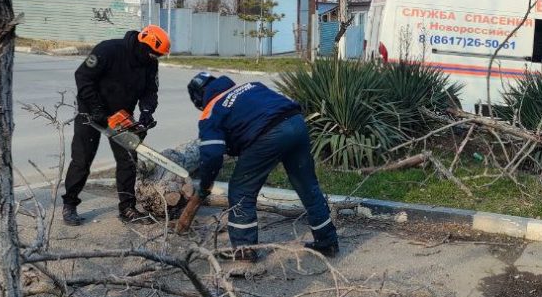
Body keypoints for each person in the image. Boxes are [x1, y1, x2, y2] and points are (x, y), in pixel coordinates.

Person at [187, 72, 340, 261]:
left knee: (241, 191)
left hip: (268, 135)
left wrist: (204, 187)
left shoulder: (211, 110)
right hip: (296, 122)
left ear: (197, 100)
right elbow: (256, 117)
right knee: (308, 185)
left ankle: (244, 253)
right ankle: (328, 242)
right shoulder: (252, 86)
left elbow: (211, 156)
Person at [61, 26, 170, 226]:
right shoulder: (108, 50)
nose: (155, 58)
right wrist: (96, 109)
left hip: (121, 116)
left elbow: (150, 90)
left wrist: (146, 112)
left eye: (158, 56)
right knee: (82, 160)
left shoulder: (149, 62)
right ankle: (69, 205)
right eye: (153, 53)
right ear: (142, 44)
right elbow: (83, 76)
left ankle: (127, 208)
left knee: (128, 160)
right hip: (91, 112)